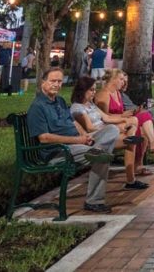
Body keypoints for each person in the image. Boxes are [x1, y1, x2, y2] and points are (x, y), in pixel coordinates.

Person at [27, 67, 117, 213]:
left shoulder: (60, 101)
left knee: (112, 130)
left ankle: (96, 151)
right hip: (58, 151)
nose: (56, 84)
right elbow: (44, 138)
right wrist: (77, 140)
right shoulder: (38, 107)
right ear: (43, 82)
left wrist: (84, 136)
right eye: (52, 81)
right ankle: (93, 201)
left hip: (76, 143)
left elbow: (73, 122)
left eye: (59, 81)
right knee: (101, 157)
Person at [69, 76, 148, 190]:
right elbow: (90, 128)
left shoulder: (91, 105)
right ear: (82, 90)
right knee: (129, 141)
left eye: (95, 90)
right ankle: (131, 180)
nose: (94, 93)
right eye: (91, 90)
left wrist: (124, 120)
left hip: (105, 130)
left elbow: (106, 117)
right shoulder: (77, 108)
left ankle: (131, 137)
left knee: (132, 123)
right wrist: (110, 127)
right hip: (96, 137)